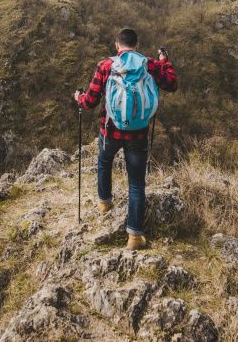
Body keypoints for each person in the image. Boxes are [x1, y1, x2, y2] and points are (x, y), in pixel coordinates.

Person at [74, 28, 177, 250]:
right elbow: (171, 83)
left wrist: (78, 98)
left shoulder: (106, 65)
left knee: (104, 162)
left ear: (116, 45)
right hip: (138, 134)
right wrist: (164, 60)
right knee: (137, 184)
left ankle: (104, 202)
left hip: (110, 130)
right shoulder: (148, 64)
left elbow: (90, 101)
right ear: (137, 46)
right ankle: (135, 236)